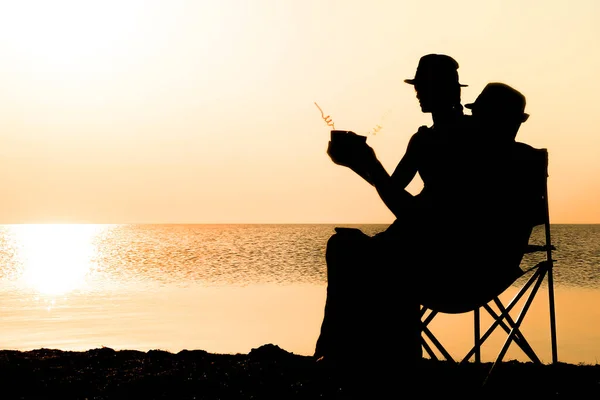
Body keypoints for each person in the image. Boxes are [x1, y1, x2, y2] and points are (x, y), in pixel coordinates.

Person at [314, 54, 473, 393]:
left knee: (352, 252)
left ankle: (348, 356)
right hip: (430, 242)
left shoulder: (463, 138)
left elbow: (409, 211)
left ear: (446, 90)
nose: (418, 94)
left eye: (423, 87)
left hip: (442, 253)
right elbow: (392, 188)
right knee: (348, 247)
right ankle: (351, 355)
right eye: (417, 87)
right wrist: (358, 163)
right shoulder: (426, 139)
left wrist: (368, 162)